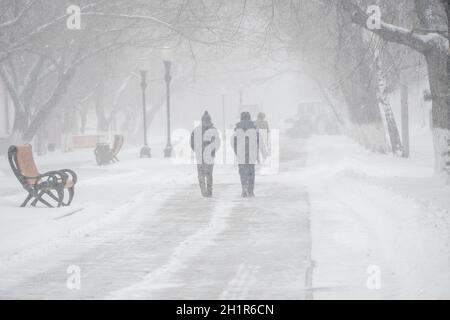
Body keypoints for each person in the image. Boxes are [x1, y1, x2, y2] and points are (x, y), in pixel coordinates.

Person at [190, 111, 221, 197]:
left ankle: (204, 191)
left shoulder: (196, 130)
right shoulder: (213, 130)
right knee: (208, 174)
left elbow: (192, 143)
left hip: (201, 155)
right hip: (208, 155)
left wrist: (196, 150)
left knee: (201, 174)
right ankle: (208, 191)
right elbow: (217, 142)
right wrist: (212, 150)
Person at [233, 112, 259, 198]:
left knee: (242, 171)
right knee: (251, 172)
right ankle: (250, 191)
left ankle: (244, 188)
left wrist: (237, 152)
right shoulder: (254, 127)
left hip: (241, 153)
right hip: (251, 153)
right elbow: (257, 141)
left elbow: (234, 142)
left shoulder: (238, 128)